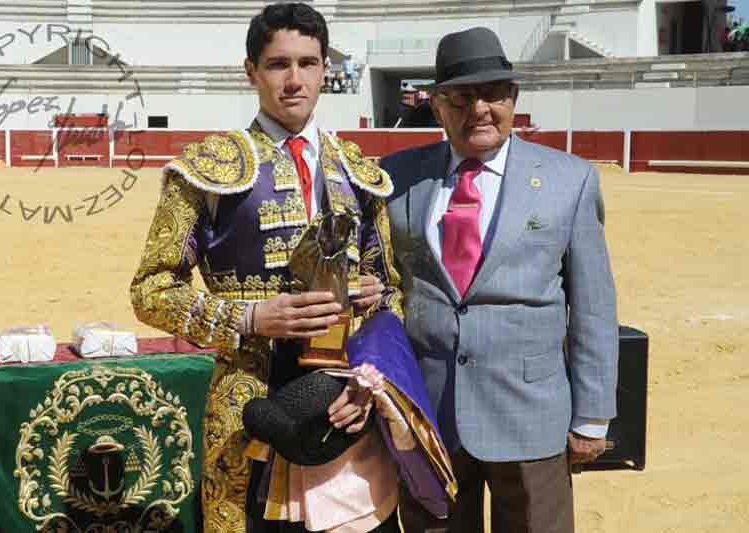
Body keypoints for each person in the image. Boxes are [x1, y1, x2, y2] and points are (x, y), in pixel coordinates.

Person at [131, 3, 452, 533]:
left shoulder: (357, 171)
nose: (295, 80)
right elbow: (150, 290)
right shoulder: (207, 170)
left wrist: (369, 381)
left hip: (347, 397)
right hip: (248, 396)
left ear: (327, 68)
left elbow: (392, 293)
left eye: (308, 63)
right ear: (251, 71)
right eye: (279, 64)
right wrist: (252, 318)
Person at [381, 27, 619, 533]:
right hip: (429, 414)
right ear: (437, 104)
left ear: (513, 99)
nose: (479, 109)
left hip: (531, 413)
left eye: (493, 93)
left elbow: (593, 305)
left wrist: (593, 415)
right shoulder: (394, 176)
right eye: (461, 97)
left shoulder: (569, 179)